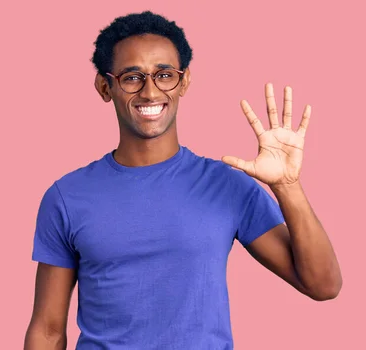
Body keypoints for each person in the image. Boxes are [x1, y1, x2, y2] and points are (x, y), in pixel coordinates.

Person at [24, 10, 342, 350]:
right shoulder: (67, 196)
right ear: (106, 86)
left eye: (164, 75)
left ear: (184, 82)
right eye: (132, 77)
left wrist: (286, 186)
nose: (149, 91)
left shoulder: (227, 186)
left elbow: (323, 286)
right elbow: (48, 329)